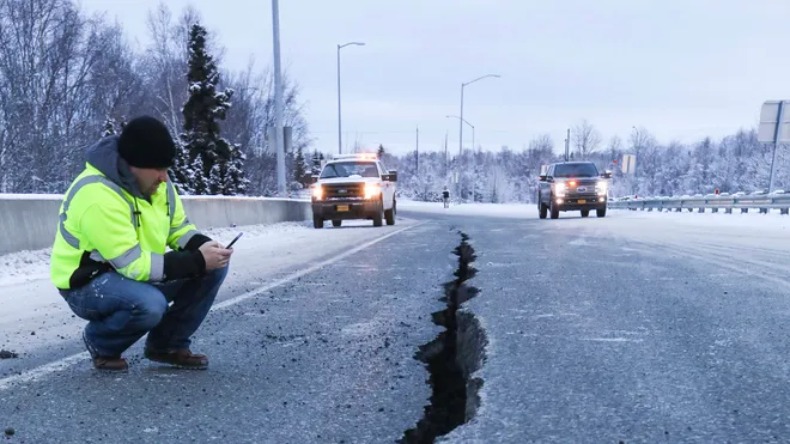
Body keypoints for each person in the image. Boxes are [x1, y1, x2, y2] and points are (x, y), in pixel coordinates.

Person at [50, 116, 233, 371]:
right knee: (150, 304)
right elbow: (133, 264)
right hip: (87, 284)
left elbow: (177, 227)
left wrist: (204, 247)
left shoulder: (158, 185)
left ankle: (167, 345)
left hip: (130, 273)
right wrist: (196, 260)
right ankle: (101, 342)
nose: (164, 178)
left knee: (213, 268)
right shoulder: (97, 194)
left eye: (166, 168)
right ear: (133, 165)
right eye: (159, 169)